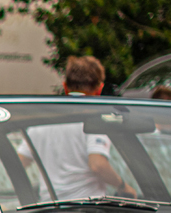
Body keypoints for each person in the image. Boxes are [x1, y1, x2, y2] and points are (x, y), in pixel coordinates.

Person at [22, 55, 133, 199]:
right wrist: (123, 186)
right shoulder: (94, 120)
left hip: (49, 210)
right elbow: (97, 165)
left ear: (65, 87)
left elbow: (20, 162)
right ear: (99, 89)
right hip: (87, 211)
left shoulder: (43, 122)